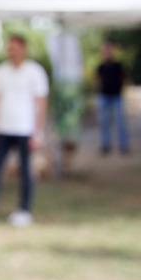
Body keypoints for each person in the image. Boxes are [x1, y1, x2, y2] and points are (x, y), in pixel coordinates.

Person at [0, 35, 49, 227]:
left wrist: (38, 131)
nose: (11, 52)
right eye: (9, 48)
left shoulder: (35, 71)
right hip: (3, 128)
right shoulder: (0, 72)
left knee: (25, 170)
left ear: (23, 49)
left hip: (25, 129)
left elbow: (41, 103)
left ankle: (24, 210)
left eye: (14, 48)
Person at [47, 28, 84, 173]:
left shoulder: (66, 37)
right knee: (65, 133)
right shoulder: (56, 38)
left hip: (68, 85)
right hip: (65, 85)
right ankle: (63, 162)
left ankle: (65, 162)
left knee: (68, 134)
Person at [96, 41, 131, 155]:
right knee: (104, 122)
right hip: (104, 96)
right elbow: (97, 80)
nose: (107, 53)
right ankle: (106, 145)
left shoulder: (118, 65)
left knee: (120, 122)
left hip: (116, 96)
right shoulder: (100, 67)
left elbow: (124, 78)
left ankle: (123, 145)